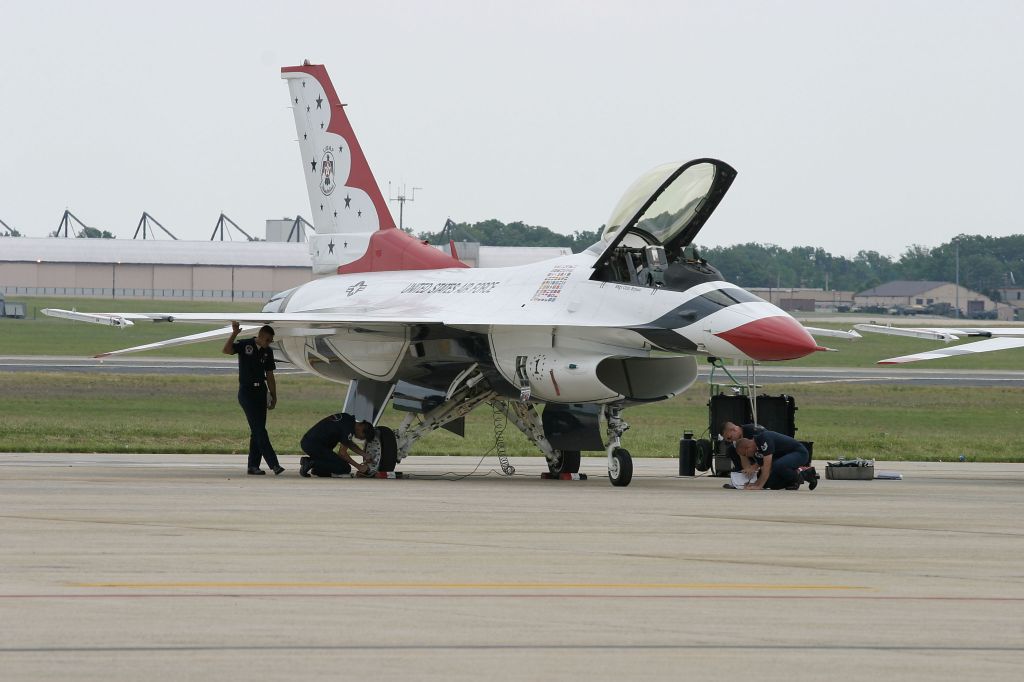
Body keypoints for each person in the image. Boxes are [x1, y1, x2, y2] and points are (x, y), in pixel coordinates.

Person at [223, 321, 283, 476]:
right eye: (267, 340)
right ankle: (274, 464)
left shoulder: (267, 352)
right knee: (259, 430)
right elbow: (226, 350)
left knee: (257, 430)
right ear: (261, 336)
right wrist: (234, 333)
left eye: (270, 341)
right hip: (246, 393)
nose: (269, 343)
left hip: (260, 392)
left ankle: (253, 466)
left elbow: (269, 375)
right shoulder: (246, 345)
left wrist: (273, 395)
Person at [734, 430, 818, 491]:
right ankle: (792, 481)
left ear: (747, 448)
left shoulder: (763, 439)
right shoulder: (756, 452)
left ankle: (804, 473)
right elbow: (763, 470)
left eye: (745, 454)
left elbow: (767, 467)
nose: (746, 456)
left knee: (778, 465)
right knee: (772, 484)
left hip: (800, 453)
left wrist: (759, 486)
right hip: (785, 458)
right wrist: (756, 483)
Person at [299, 412, 375, 478]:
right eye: (363, 437)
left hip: (309, 442)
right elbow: (342, 454)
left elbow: (348, 443)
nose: (361, 439)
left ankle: (318, 468)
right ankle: (311, 462)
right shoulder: (348, 429)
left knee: (334, 462)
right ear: (361, 428)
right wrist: (359, 466)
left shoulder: (347, 419)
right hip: (314, 445)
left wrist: (364, 455)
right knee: (344, 468)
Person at [718, 421, 765, 489]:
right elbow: (746, 465)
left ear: (734, 430)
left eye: (729, 437)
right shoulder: (737, 440)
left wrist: (754, 467)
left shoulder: (753, 431)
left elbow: (766, 453)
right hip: (756, 457)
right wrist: (748, 470)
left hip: (770, 455)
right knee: (731, 449)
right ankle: (741, 480)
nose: (730, 440)